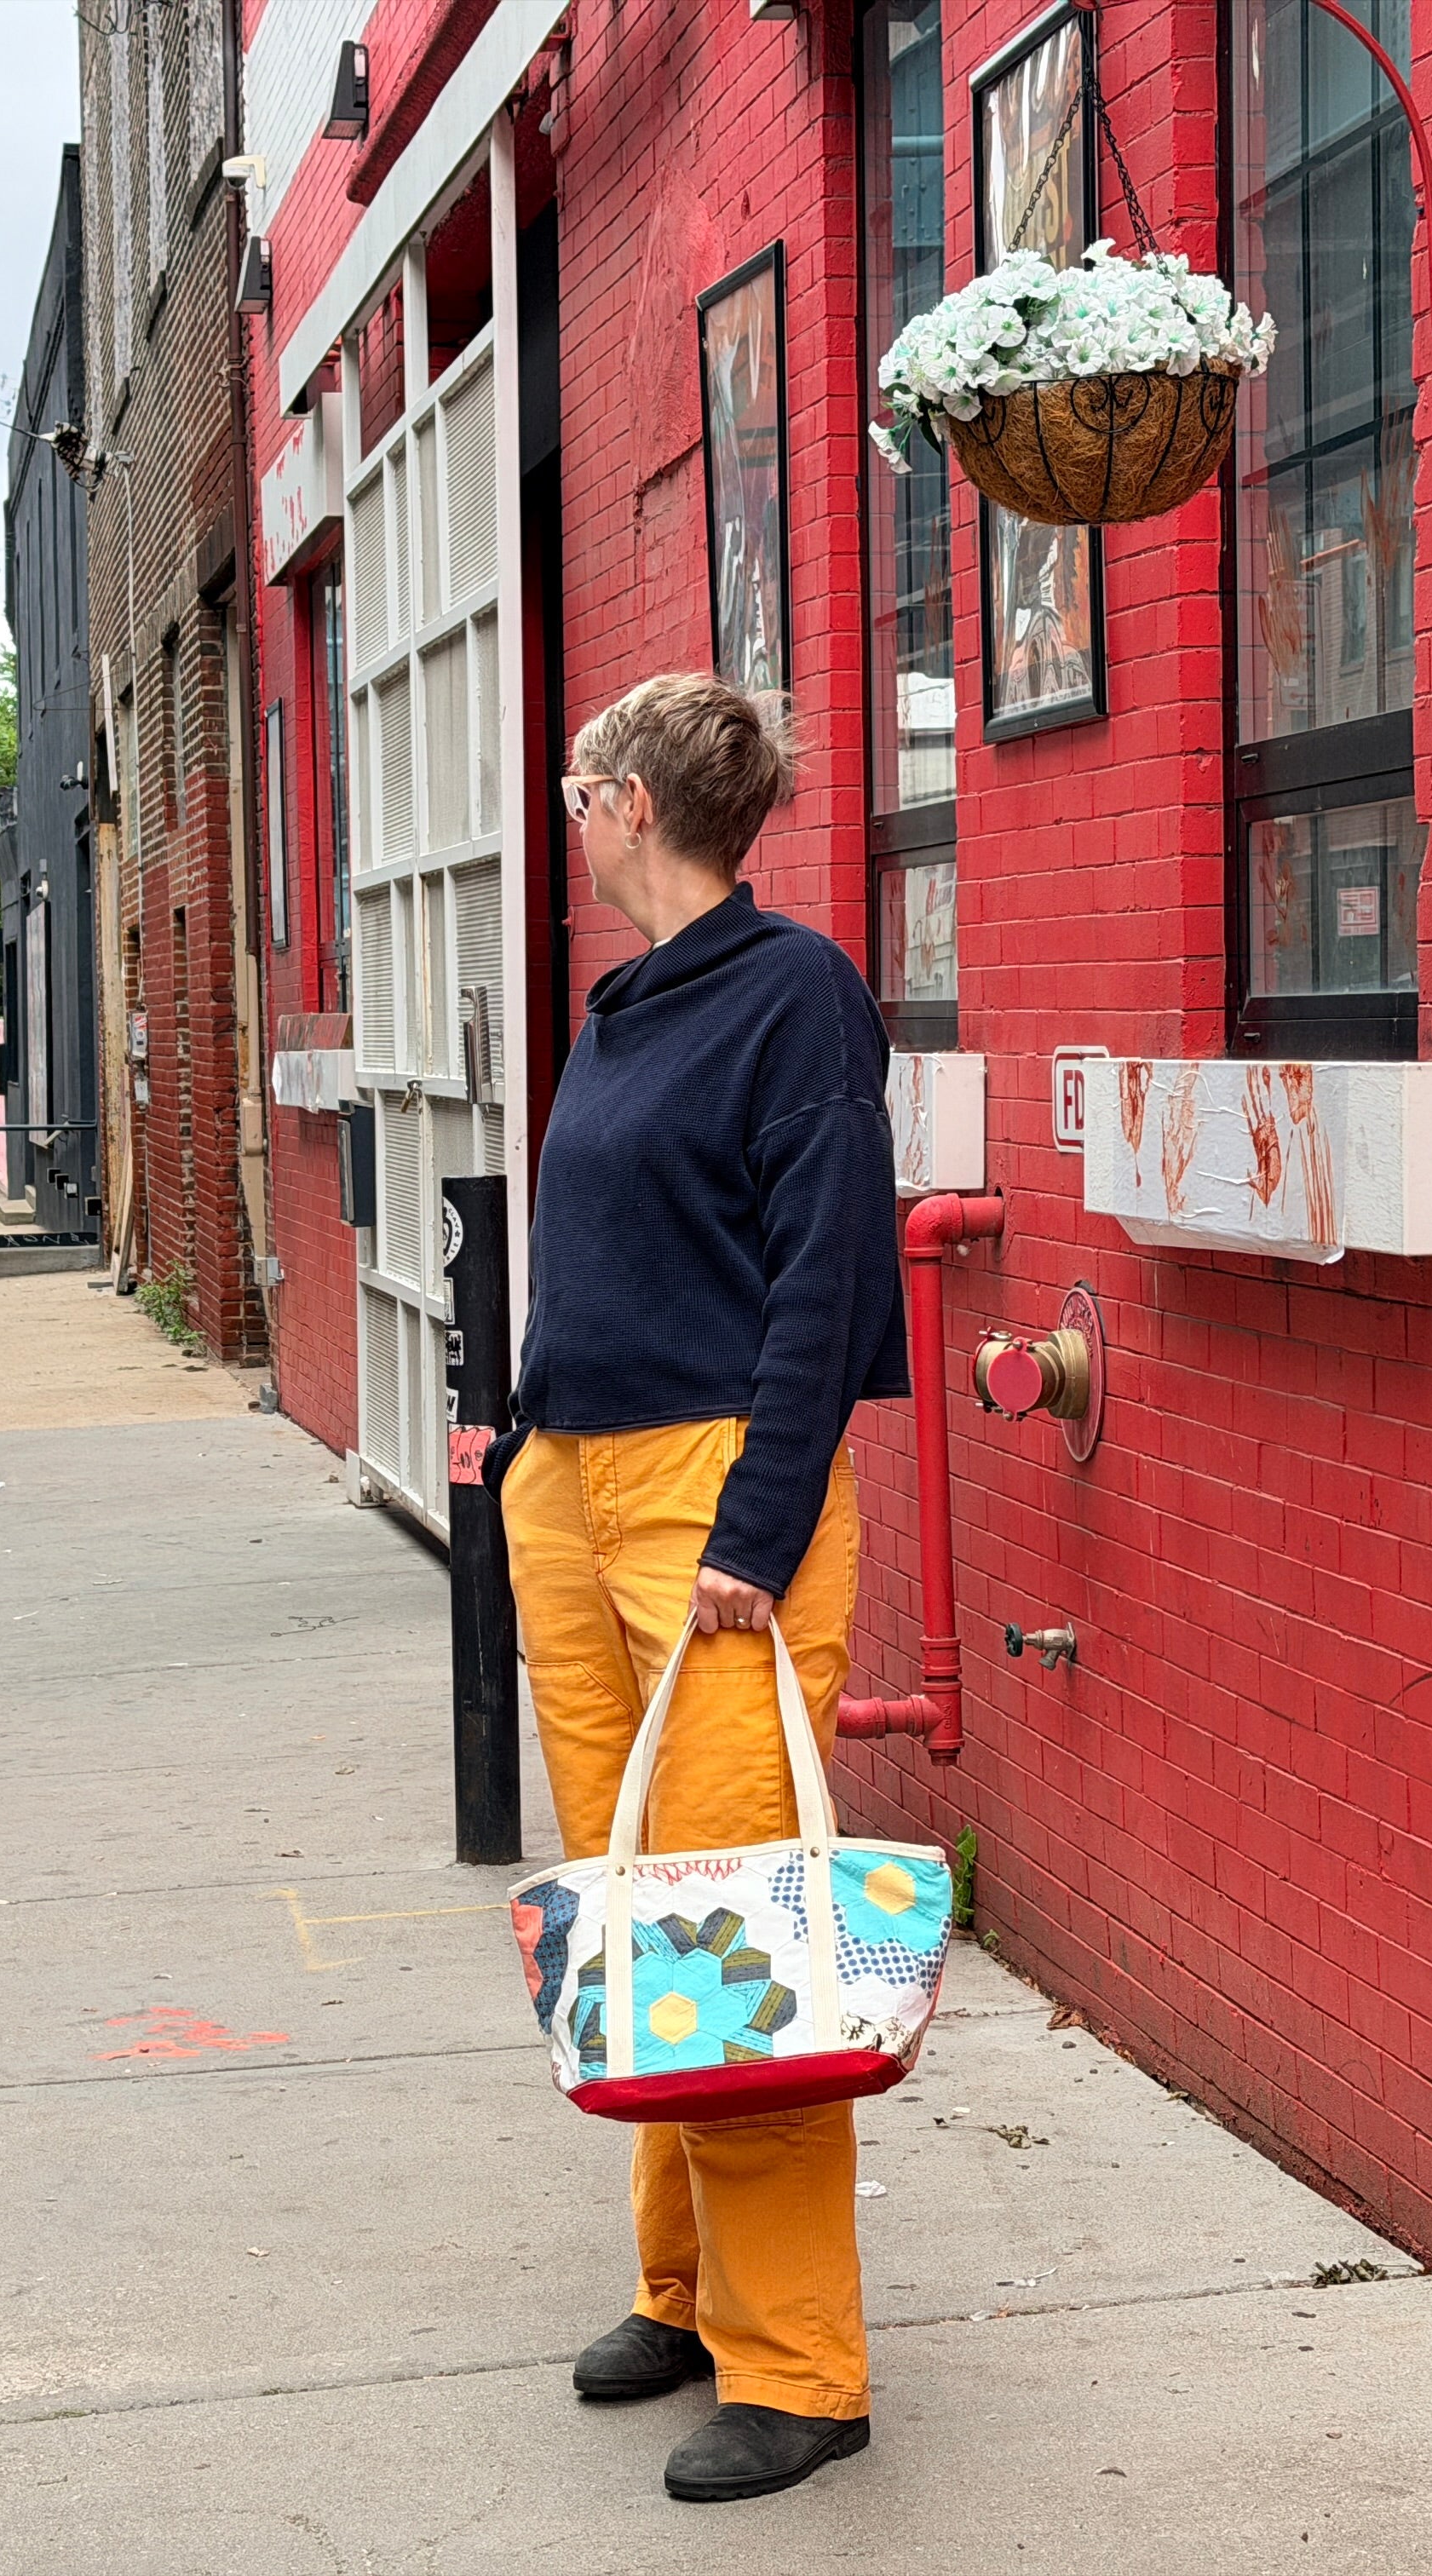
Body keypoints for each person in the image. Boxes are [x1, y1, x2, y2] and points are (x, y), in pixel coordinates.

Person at [486, 674, 908, 2506]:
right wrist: (526, 1443)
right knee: (636, 1912)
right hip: (576, 1486)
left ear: (635, 805)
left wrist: (756, 1527)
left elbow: (825, 1277)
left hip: (713, 1504)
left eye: (578, 788)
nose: (571, 815)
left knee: (732, 1933)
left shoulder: (795, 993)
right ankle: (684, 2288)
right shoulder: (625, 1003)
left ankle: (801, 2367)